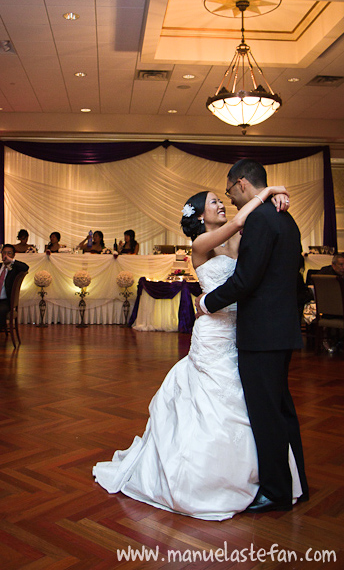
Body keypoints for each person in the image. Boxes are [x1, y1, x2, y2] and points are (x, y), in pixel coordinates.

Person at [93, 181, 302, 521]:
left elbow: (254, 248)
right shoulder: (201, 244)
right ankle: (207, 480)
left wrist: (277, 199)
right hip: (214, 334)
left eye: (222, 200)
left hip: (244, 331)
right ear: (199, 215)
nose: (221, 205)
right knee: (214, 401)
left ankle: (261, 476)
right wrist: (266, 193)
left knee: (251, 404)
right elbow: (238, 222)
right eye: (213, 203)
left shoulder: (243, 234)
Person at [198, 159, 309, 513]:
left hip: (261, 333)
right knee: (282, 410)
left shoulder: (260, 220)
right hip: (282, 329)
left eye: (229, 192)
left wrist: (207, 302)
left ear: (242, 184)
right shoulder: (285, 218)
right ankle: (297, 483)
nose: (230, 200)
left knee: (266, 415)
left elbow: (246, 280)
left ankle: (276, 492)